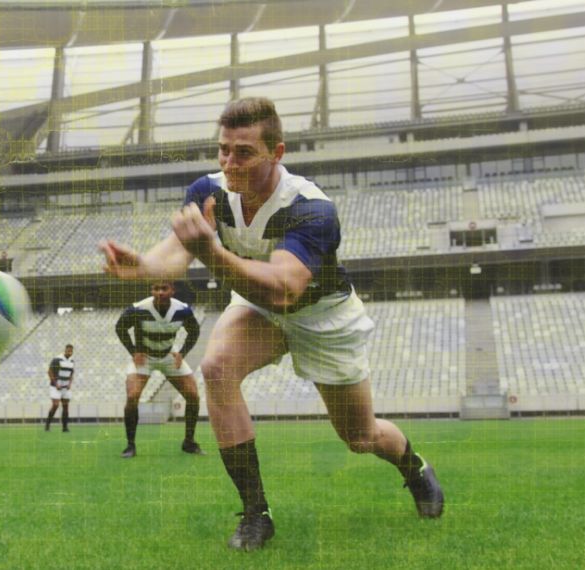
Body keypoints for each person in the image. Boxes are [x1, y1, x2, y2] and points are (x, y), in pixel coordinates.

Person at [100, 97, 444, 551]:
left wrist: (215, 255)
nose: (229, 162)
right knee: (217, 369)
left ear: (277, 153)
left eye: (244, 152)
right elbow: (176, 253)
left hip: (322, 318)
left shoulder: (311, 208)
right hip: (258, 306)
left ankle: (414, 468)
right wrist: (143, 266)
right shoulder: (209, 191)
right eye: (223, 150)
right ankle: (256, 514)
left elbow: (284, 288)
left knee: (360, 437)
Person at [114, 280, 202, 458]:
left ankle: (189, 442)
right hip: (145, 357)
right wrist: (133, 351)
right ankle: (130, 445)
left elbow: (194, 331)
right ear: (151, 290)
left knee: (193, 396)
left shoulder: (183, 310)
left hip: (168, 355)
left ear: (172, 290)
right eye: (156, 288)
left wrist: (182, 353)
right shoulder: (138, 309)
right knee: (132, 396)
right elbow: (120, 327)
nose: (160, 292)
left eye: (164, 288)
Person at [45, 344, 75, 432]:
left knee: (66, 406)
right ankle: (48, 424)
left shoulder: (72, 361)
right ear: (65, 350)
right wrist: (55, 383)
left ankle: (65, 427)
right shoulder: (57, 359)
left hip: (65, 387)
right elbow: (49, 371)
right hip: (56, 387)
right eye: (68, 351)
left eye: (71, 351)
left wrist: (70, 383)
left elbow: (72, 373)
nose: (70, 352)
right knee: (55, 405)